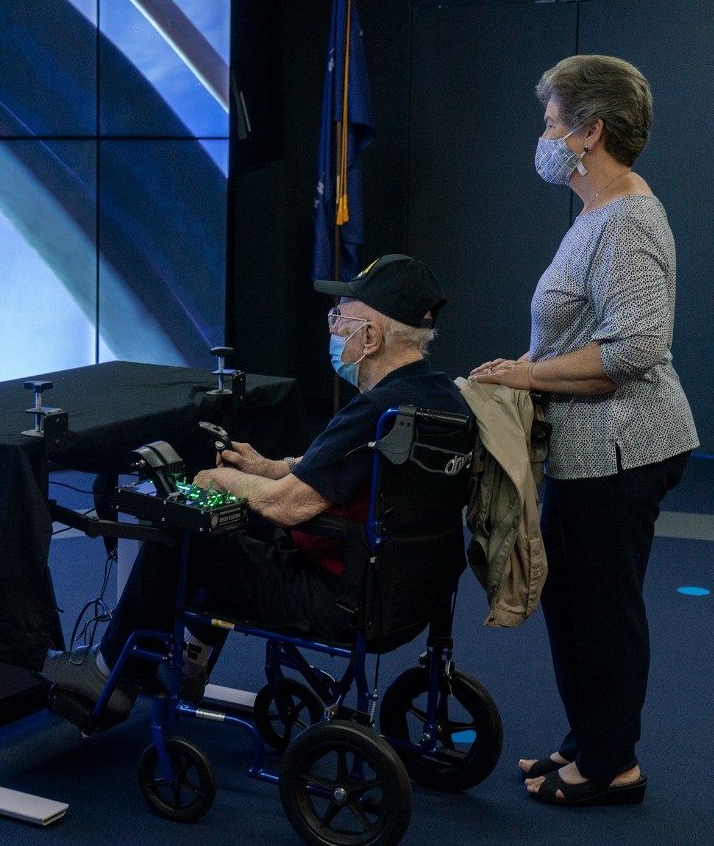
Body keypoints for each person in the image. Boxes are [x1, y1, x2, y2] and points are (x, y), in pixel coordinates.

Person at [42, 254, 470, 720]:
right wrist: (267, 466)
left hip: (342, 598)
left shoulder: (371, 412)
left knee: (188, 535)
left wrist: (218, 478)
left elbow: (285, 507)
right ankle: (189, 662)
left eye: (340, 318)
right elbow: (339, 474)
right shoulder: (439, 398)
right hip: (412, 592)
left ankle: (108, 674)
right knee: (237, 531)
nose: (332, 328)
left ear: (370, 337)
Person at [470, 54, 698, 807]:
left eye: (549, 123)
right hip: (591, 446)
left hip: (625, 447)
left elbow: (634, 350)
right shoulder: (596, 215)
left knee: (602, 611)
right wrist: (527, 360)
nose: (542, 136)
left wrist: (529, 378)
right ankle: (587, 744)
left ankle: (611, 768)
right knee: (572, 600)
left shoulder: (627, 220)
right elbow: (585, 328)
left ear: (587, 133)